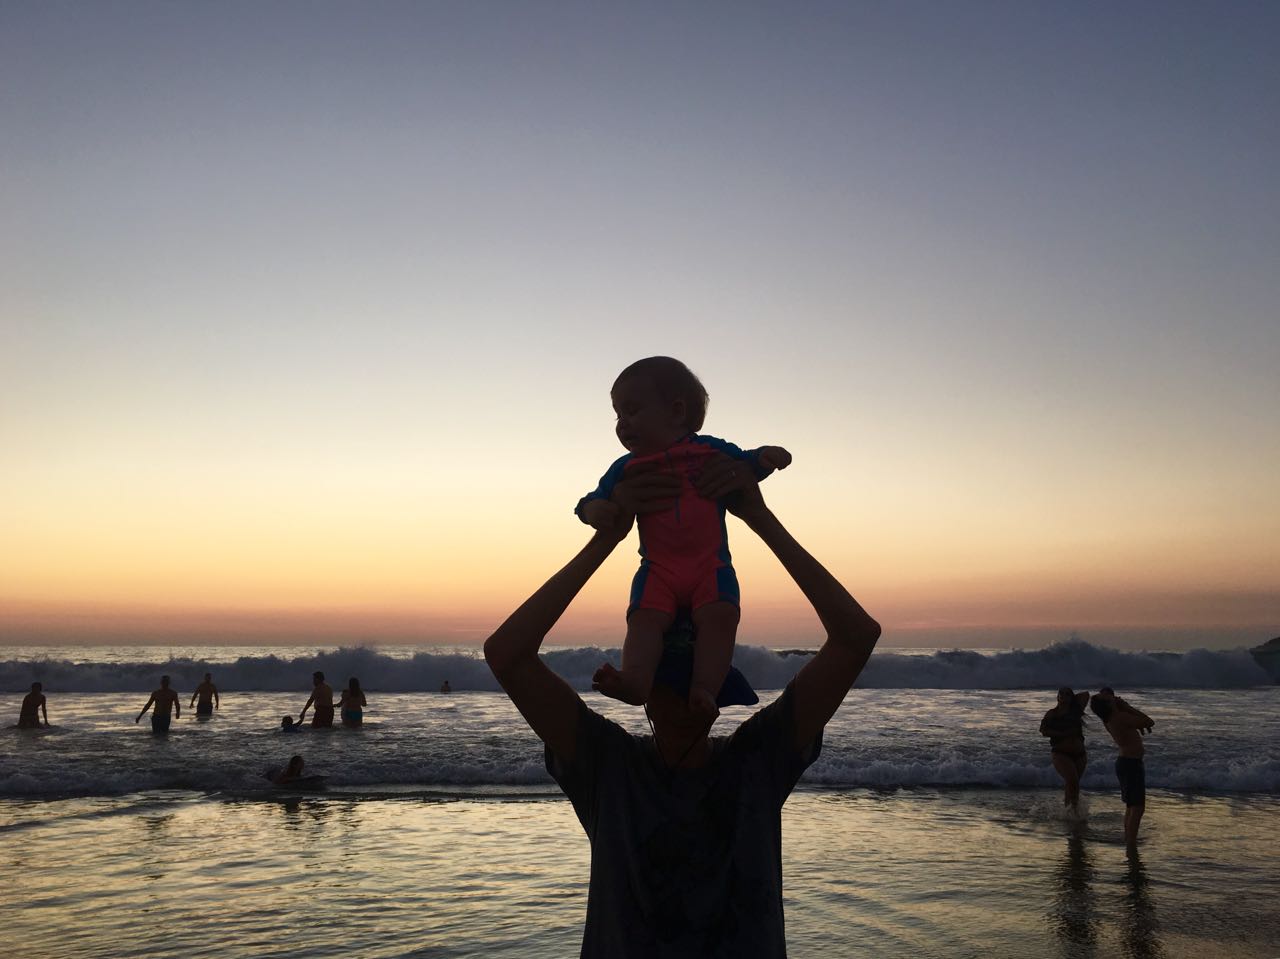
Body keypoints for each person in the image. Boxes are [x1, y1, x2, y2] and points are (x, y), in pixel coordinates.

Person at [485, 458, 880, 956]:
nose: (695, 694)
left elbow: (857, 636)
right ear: (646, 690)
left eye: (703, 682)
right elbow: (506, 654)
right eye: (678, 681)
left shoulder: (758, 756)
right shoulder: (607, 765)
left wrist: (759, 517)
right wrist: (606, 538)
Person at [576, 356, 791, 718]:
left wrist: (767, 458)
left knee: (721, 617)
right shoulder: (626, 467)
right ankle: (636, 681)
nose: (622, 424)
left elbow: (744, 464)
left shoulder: (709, 450)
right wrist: (595, 512)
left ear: (676, 411)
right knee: (644, 619)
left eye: (631, 410)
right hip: (658, 570)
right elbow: (590, 500)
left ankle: (705, 690)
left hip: (711, 567)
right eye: (617, 415)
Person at [1090, 687, 1155, 853]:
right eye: (1109, 698)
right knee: (1138, 806)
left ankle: (1129, 839)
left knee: (1132, 805)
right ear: (1107, 704)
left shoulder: (1110, 718)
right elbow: (1148, 721)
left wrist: (1118, 705)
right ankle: (1131, 843)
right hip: (1130, 763)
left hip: (1126, 763)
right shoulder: (1119, 716)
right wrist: (1126, 706)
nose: (1114, 697)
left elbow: (1138, 723)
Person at [1040, 686, 1092, 812]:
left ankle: (1071, 812)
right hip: (1061, 753)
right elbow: (1043, 730)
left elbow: (1086, 694)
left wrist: (1072, 699)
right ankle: (1071, 812)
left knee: (1073, 785)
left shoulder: (1076, 710)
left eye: (1067, 694)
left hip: (1080, 754)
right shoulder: (1052, 713)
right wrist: (1062, 734)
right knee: (1072, 781)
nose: (1063, 695)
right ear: (1057, 697)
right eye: (1061, 694)